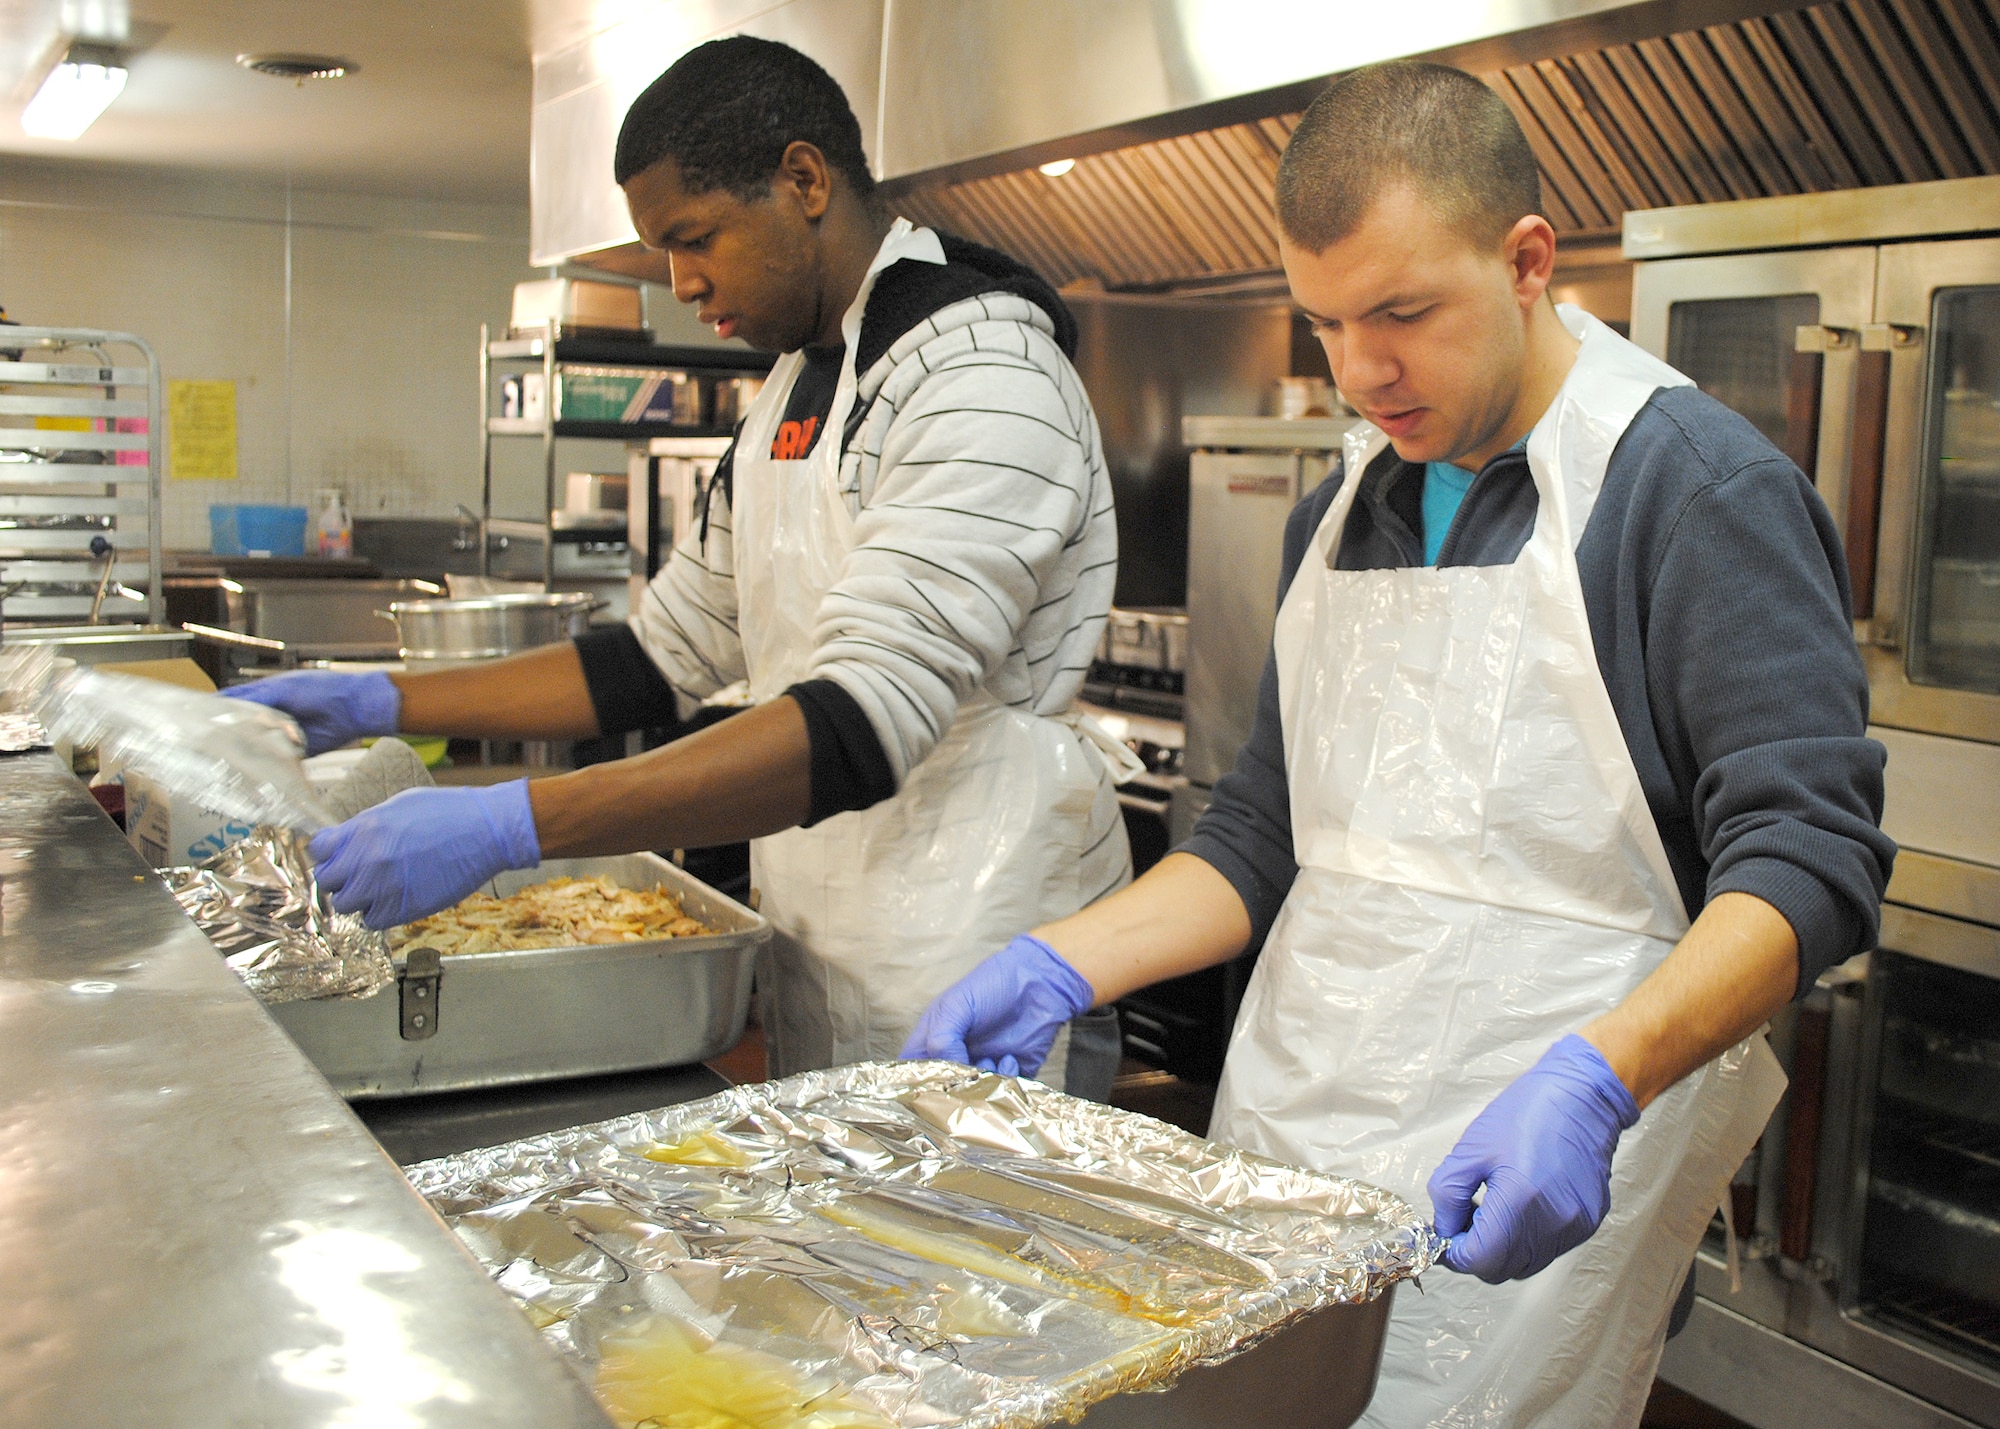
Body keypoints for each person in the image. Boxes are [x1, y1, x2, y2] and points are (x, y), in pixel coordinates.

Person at [903, 61, 1894, 1427]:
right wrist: (1054, 964)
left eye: (1404, 313)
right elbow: (1265, 836)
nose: (1362, 370)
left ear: (1529, 260)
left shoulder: (1692, 493)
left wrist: (1600, 1078)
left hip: (1531, 1178)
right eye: (1322, 326)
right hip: (1295, 1141)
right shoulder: (1344, 508)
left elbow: (1812, 862)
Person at [229, 37, 1133, 1097]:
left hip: (982, 941)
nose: (678, 282)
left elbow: (854, 724)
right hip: (825, 922)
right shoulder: (797, 385)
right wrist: (378, 698)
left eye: (691, 237)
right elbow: (653, 662)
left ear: (803, 180)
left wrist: (508, 824)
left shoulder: (981, 372)